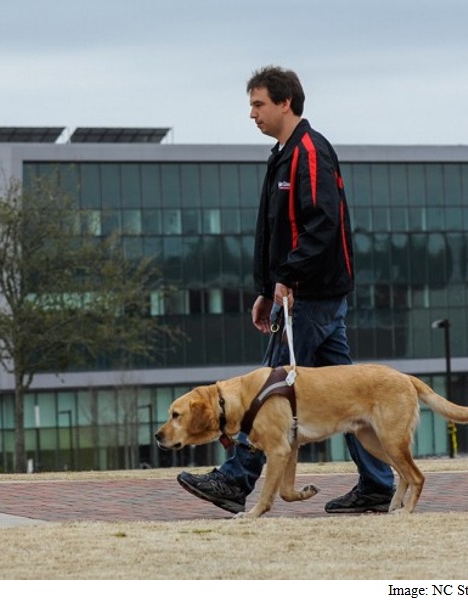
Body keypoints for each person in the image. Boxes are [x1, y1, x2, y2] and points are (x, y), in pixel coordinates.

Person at [177, 66, 395, 514]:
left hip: (310, 296)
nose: (251, 114)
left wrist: (288, 279)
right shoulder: (282, 154)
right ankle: (376, 484)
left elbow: (321, 224)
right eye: (251, 105)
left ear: (285, 103)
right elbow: (276, 231)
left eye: (258, 104)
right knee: (350, 394)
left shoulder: (309, 152)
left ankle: (235, 480)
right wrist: (265, 288)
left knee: (265, 390)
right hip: (302, 293)